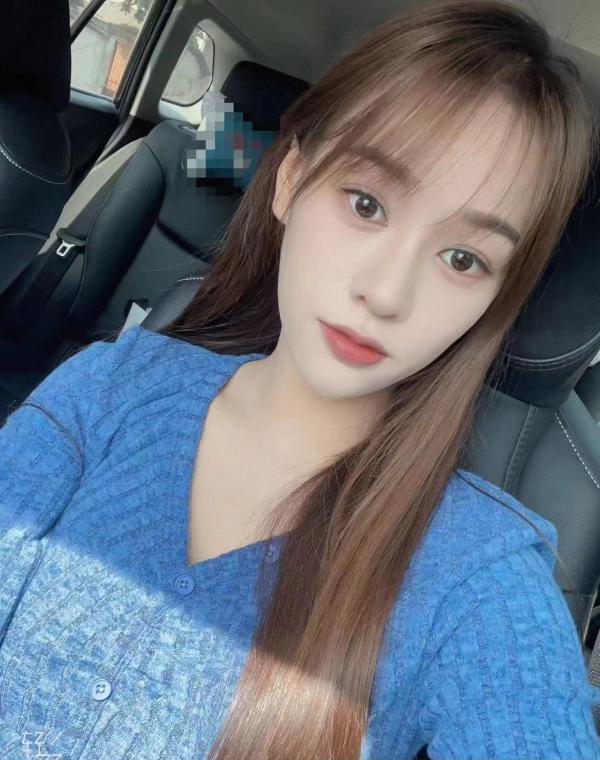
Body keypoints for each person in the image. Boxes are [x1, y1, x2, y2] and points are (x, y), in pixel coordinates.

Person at [1, 0, 599, 757]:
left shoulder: (479, 574)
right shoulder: (112, 385)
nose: (385, 293)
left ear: (495, 300)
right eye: (366, 203)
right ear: (289, 181)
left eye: (463, 259)